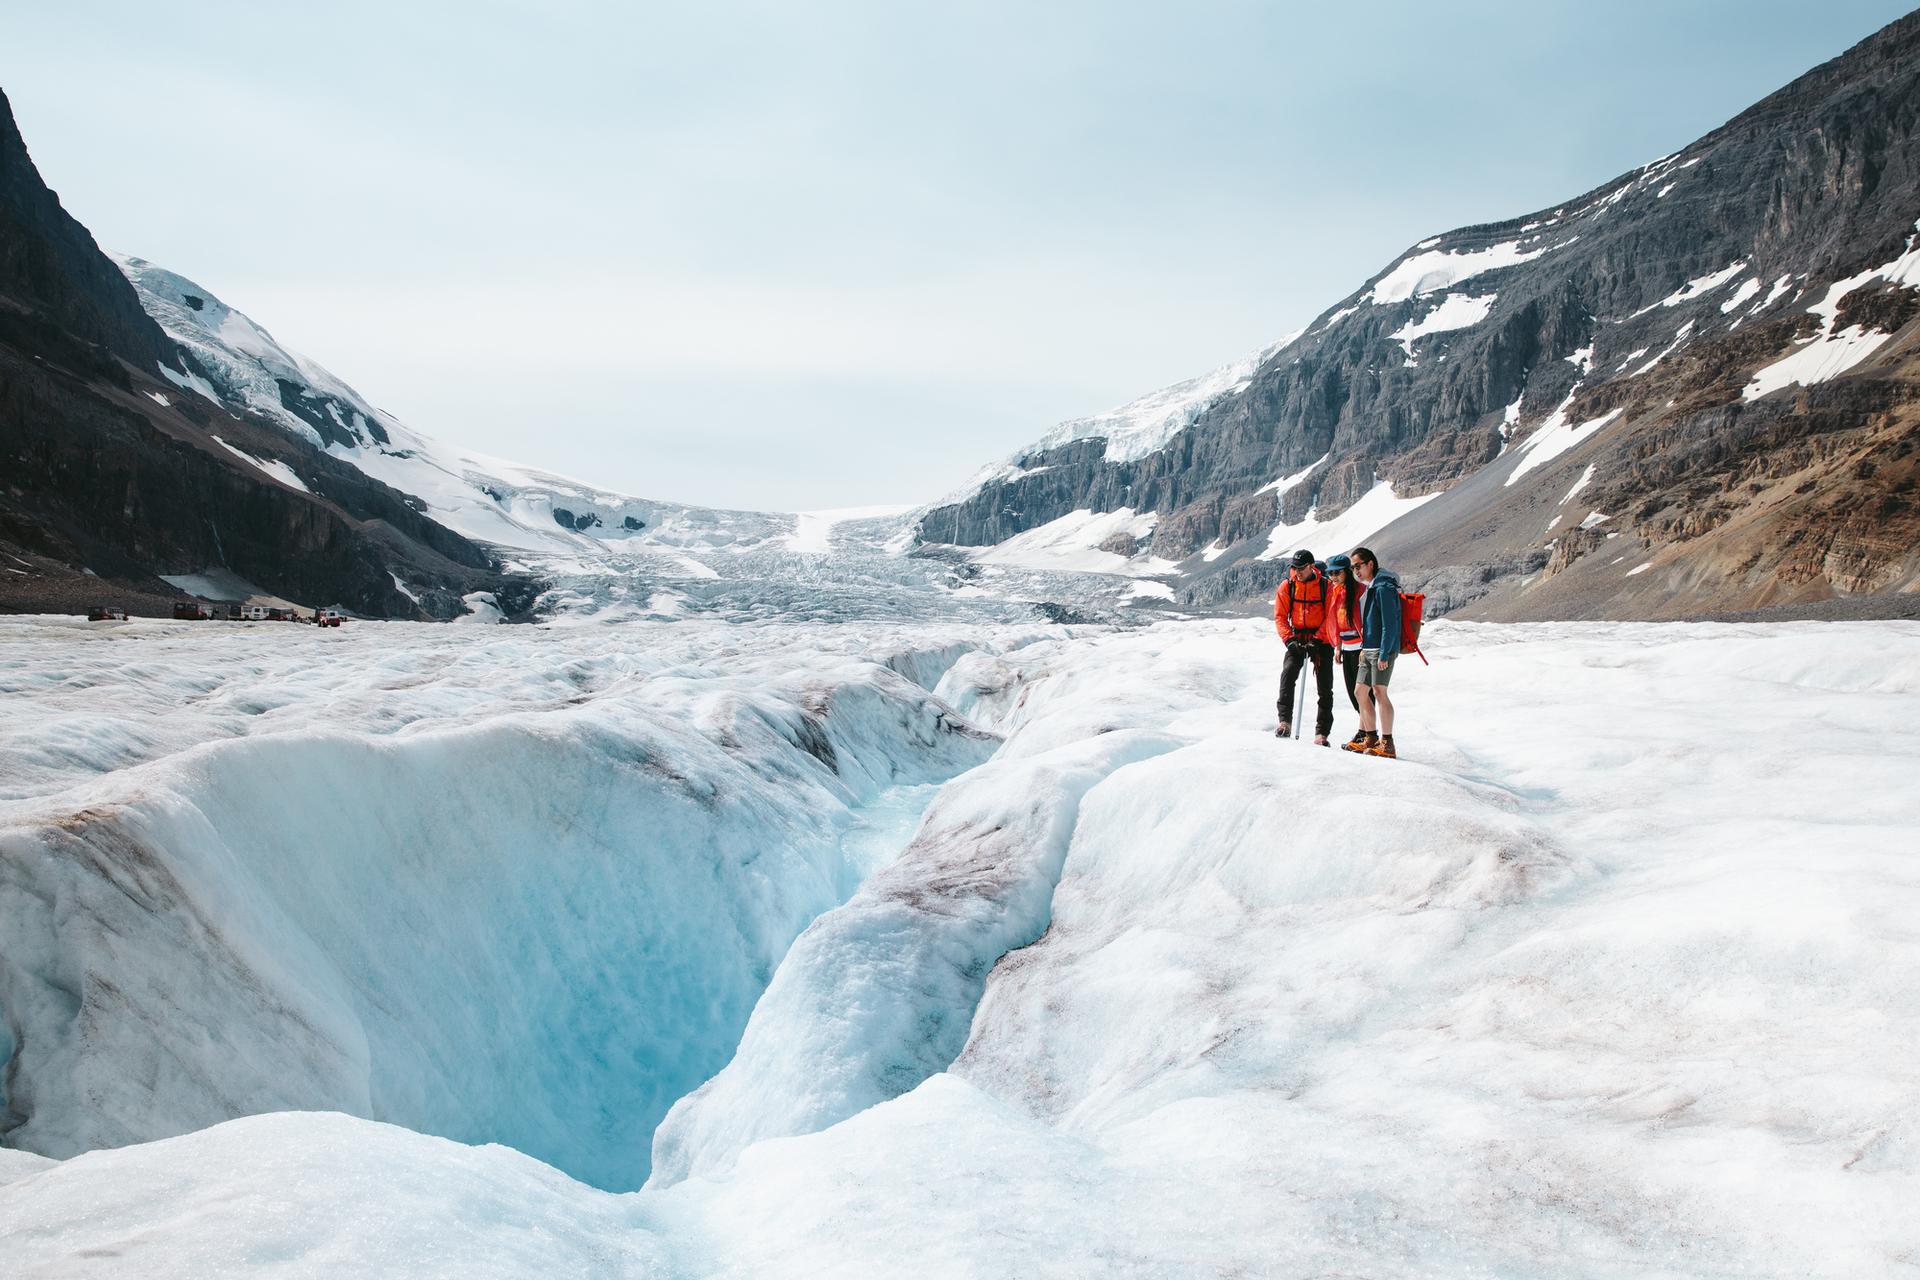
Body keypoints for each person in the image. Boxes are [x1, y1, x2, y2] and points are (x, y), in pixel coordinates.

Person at [1342, 545, 1401, 759]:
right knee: (1360, 691)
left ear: (1370, 564)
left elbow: (1390, 623)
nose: (1355, 571)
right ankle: (1370, 736)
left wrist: (1384, 652)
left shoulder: (1384, 587)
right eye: (1352, 568)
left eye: (1358, 566)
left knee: (1379, 691)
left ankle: (1387, 742)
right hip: (1368, 649)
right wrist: (1364, 647)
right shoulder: (1373, 586)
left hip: (1381, 650)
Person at [1273, 549, 1336, 745]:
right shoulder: (1288, 586)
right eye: (1294, 568)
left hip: (1322, 641)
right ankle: (1285, 722)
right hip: (1297, 637)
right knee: (1288, 674)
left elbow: (1331, 616)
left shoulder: (1326, 586)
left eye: (1301, 568)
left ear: (1311, 567)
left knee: (1325, 687)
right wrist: (1289, 640)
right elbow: (1280, 616)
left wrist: (1317, 640)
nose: (1297, 572)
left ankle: (1322, 733)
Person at [1324, 553, 1365, 741]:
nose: (1333, 577)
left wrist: (1366, 647)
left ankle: (1366, 733)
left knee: (1362, 693)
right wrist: (1338, 647)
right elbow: (1336, 622)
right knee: (1354, 694)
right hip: (1347, 649)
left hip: (1361, 649)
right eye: (1330, 573)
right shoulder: (1336, 592)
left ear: (1347, 572)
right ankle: (1364, 732)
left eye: (1337, 573)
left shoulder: (1360, 591)